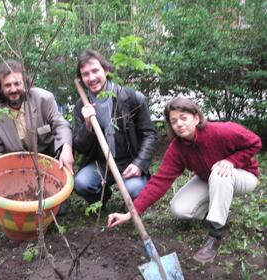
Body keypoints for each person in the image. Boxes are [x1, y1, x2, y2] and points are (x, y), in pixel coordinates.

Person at [107, 97, 262, 263]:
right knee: (179, 209)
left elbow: (255, 142)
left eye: (183, 118)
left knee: (219, 174)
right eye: (174, 121)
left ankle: (215, 235)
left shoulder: (220, 131)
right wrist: (131, 213)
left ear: (196, 118)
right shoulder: (177, 148)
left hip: (244, 175)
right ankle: (217, 211)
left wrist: (231, 161)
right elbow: (159, 182)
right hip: (208, 177)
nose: (179, 124)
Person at [73, 49, 157, 207]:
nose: (91, 78)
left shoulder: (131, 98)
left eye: (95, 71)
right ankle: (101, 199)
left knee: (136, 190)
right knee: (82, 183)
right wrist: (87, 126)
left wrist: (139, 163)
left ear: (106, 70)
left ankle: (131, 203)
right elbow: (80, 147)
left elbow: (149, 135)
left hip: (129, 162)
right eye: (85, 74)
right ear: (81, 78)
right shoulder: (81, 106)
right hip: (101, 163)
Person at [0, 59, 74, 171]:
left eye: (17, 84)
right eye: (7, 85)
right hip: (17, 162)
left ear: (25, 84)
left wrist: (66, 148)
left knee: (64, 146)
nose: (13, 89)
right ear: (0, 88)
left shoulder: (44, 99)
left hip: (48, 155)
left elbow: (61, 125)